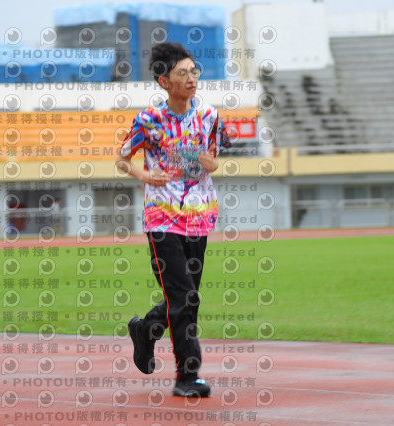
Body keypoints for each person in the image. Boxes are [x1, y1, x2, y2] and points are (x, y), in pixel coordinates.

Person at [115, 42, 230, 398]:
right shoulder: (148, 120)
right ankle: (187, 376)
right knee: (184, 297)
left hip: (199, 216)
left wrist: (212, 163)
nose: (192, 78)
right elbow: (122, 159)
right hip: (162, 219)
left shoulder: (209, 116)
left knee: (185, 297)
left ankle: (146, 330)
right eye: (183, 73)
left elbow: (215, 156)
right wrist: (145, 176)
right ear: (164, 81)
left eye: (194, 71)